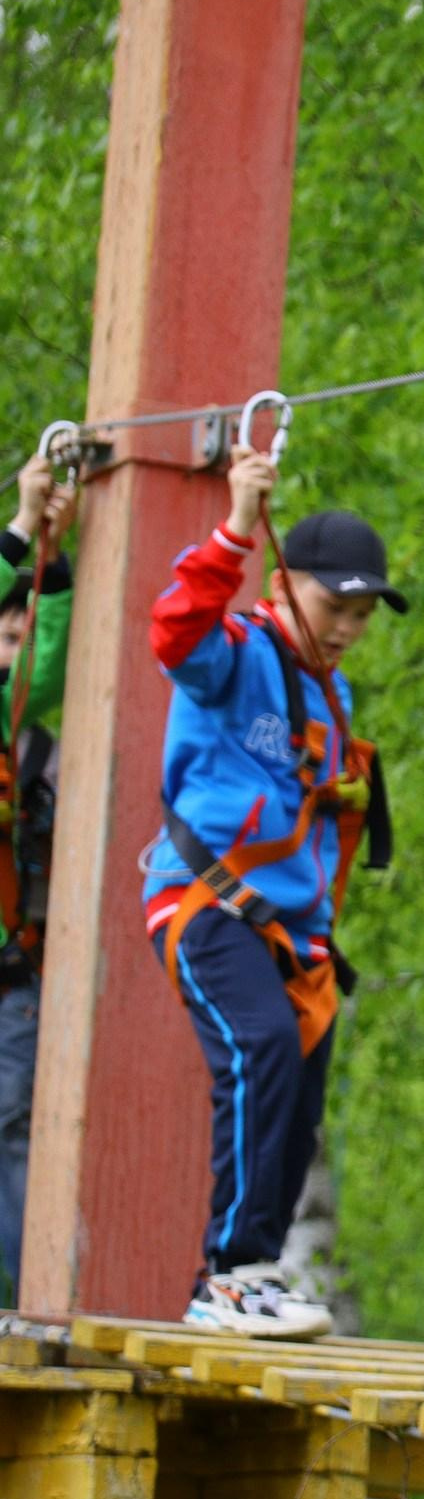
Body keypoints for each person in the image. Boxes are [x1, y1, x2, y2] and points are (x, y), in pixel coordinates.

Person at [143, 444, 398, 1338]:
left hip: (290, 927)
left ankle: (254, 1266)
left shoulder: (335, 697)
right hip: (204, 902)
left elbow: (322, 829)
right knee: (258, 1047)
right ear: (290, 587)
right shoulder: (232, 655)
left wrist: (320, 932)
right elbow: (173, 629)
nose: (347, 629)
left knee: (301, 1076)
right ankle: (232, 1270)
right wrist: (237, 527)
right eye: (337, 607)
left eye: (363, 616)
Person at [0, 451, 76, 1297]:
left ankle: (25, 1297)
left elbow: (44, 666)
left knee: (10, 1122)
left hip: (14, 965)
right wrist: (20, 530)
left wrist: (50, 558)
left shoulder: (30, 742)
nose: (12, 651)